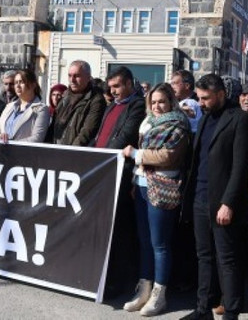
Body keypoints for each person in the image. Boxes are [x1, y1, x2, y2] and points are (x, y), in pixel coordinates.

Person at [180, 73, 248, 320]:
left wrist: (229, 203)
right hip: (200, 198)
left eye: (205, 98)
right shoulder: (204, 119)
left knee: (227, 259)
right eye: (199, 98)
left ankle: (231, 311)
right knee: (204, 257)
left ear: (221, 94)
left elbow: (241, 166)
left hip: (222, 202)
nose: (200, 102)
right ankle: (203, 309)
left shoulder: (240, 119)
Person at [121, 83, 191, 316]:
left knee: (160, 244)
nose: (157, 106)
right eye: (153, 102)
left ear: (171, 101)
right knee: (144, 241)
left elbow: (167, 156)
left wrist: (135, 154)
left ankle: (159, 295)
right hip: (141, 185)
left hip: (163, 187)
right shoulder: (147, 122)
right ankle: (144, 288)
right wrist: (134, 180)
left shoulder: (179, 124)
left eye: (162, 101)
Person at [94, 66, 147, 298]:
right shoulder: (112, 106)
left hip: (121, 175)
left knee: (120, 231)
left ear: (128, 84)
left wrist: (99, 158)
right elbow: (100, 137)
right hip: (102, 171)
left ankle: (119, 281)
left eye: (117, 86)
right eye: (110, 87)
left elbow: (124, 137)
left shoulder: (137, 106)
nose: (112, 91)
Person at [51, 61, 106, 146]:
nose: (72, 80)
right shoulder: (64, 97)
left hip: (75, 153)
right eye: (69, 75)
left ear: (88, 77)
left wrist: (72, 152)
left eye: (77, 76)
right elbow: (54, 127)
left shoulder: (96, 100)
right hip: (57, 150)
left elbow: (87, 132)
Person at [0, 68, 49, 143]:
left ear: (33, 85)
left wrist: (11, 144)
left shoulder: (41, 109)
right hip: (2, 152)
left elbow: (37, 139)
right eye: (16, 82)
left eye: (21, 82)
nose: (17, 86)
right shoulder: (9, 106)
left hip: (23, 153)